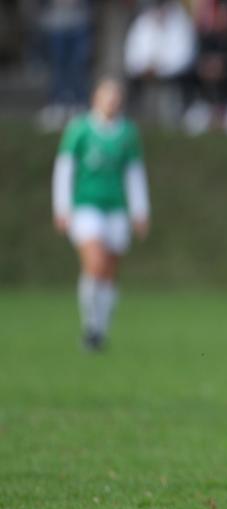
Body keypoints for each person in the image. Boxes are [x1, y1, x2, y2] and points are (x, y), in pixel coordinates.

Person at [52, 78, 151, 351]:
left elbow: (134, 174)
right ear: (96, 98)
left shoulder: (127, 132)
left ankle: (101, 330)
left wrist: (140, 210)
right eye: (107, 96)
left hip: (116, 207)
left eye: (116, 97)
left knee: (109, 270)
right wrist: (62, 208)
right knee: (94, 263)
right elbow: (64, 169)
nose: (112, 102)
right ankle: (89, 326)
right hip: (86, 206)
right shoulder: (80, 129)